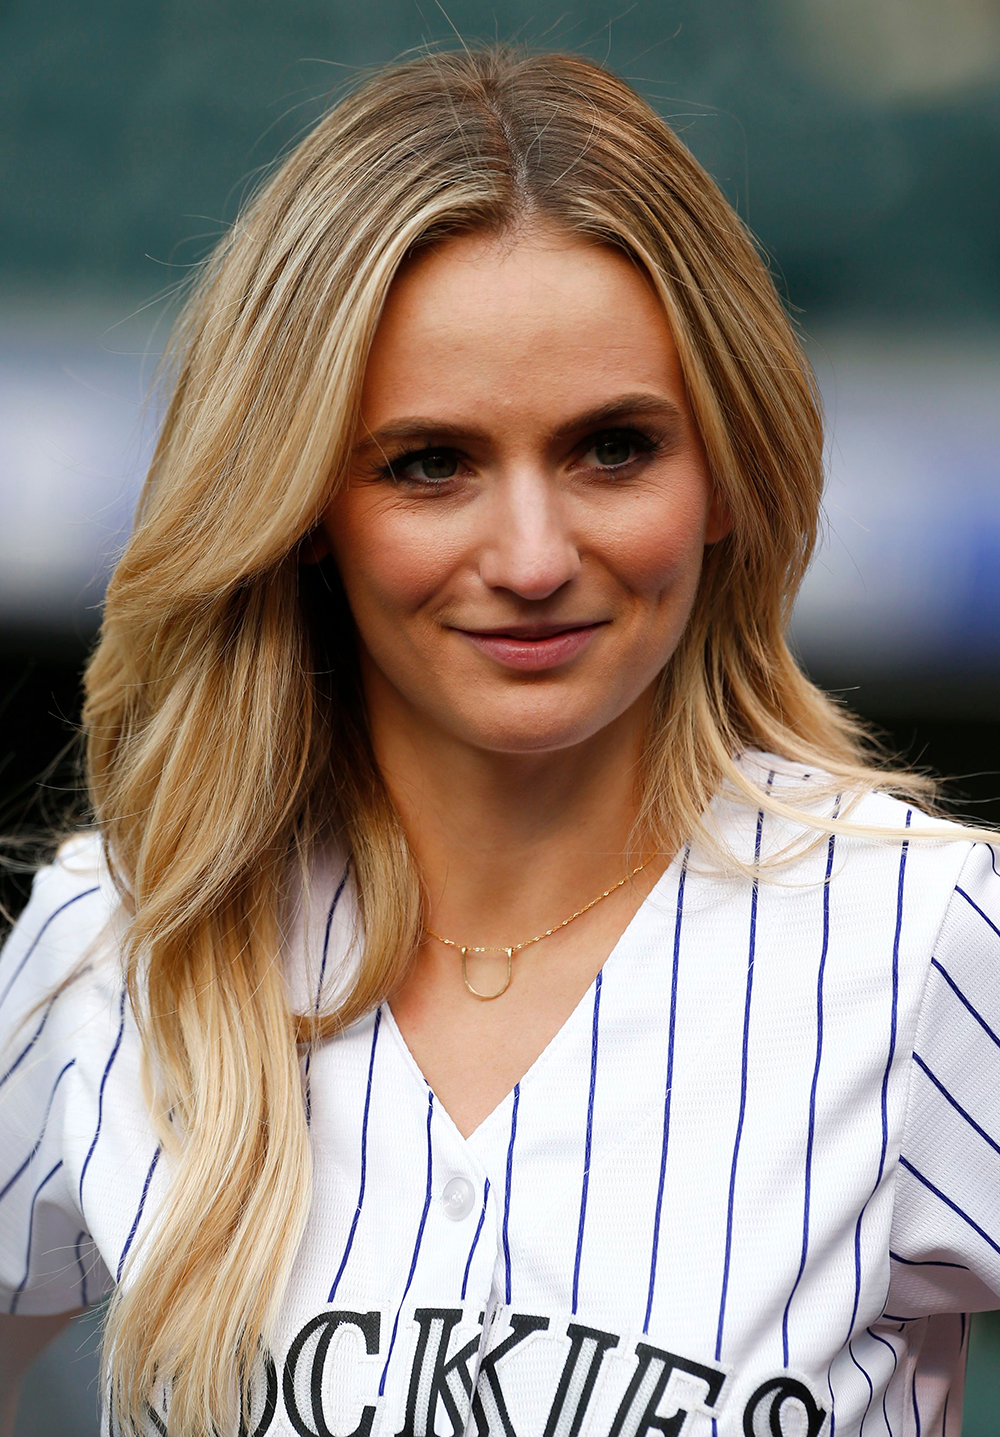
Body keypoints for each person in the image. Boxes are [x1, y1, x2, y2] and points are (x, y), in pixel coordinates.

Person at [1, 46, 997, 1437]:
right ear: (301, 506)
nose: (533, 557)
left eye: (612, 448)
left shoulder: (932, 935)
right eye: (429, 464)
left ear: (724, 473)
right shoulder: (115, 940)